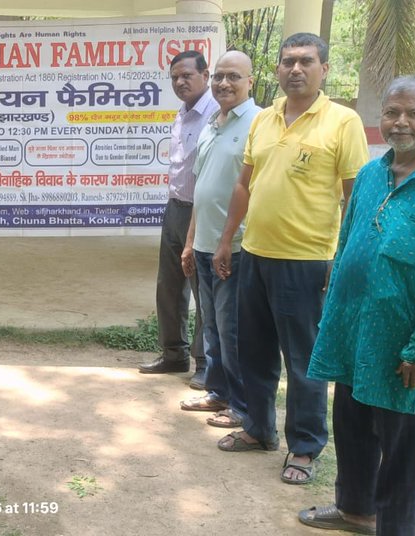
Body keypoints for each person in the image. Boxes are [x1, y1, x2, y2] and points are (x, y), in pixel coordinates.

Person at [297, 75, 415, 535]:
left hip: (401, 342)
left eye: (413, 114)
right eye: (392, 112)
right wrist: (333, 304)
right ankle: (355, 509)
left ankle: (394, 527)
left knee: (401, 447)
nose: (401, 123)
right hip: (353, 329)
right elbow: (349, 235)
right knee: (351, 427)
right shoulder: (372, 172)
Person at [211, 32, 369, 485]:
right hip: (255, 254)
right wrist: (227, 240)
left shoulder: (342, 122)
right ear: (277, 70)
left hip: (307, 261)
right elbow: (244, 184)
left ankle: (304, 446)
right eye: (287, 62)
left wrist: (341, 256)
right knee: (253, 352)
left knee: (303, 361)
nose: (295, 69)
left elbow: (354, 195)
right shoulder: (264, 119)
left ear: (324, 70)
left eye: (305, 61)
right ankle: (258, 429)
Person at [178, 50, 261, 430]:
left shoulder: (259, 123)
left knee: (232, 330)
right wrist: (191, 240)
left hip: (237, 248)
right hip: (205, 243)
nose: (224, 84)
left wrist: (228, 240)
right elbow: (202, 187)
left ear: (250, 82)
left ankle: (242, 406)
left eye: (234, 77)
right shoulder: (214, 122)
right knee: (211, 324)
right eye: (219, 77)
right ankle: (218, 391)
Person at [138, 49, 218, 390]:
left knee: (203, 288)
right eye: (174, 78)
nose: (180, 82)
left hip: (203, 213)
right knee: (168, 285)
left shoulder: (216, 114)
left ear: (205, 75)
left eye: (187, 75)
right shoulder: (182, 114)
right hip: (175, 208)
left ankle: (204, 362)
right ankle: (173, 354)